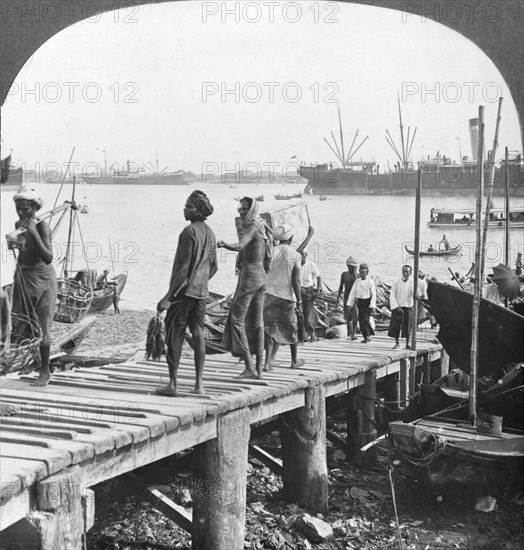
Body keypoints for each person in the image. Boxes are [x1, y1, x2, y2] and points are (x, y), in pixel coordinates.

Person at [156, 190, 217, 397]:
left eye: (189, 207)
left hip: (183, 294)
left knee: (175, 335)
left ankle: (173, 384)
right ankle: (199, 385)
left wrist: (167, 297)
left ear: (199, 211)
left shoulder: (188, 232)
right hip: (200, 293)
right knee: (198, 334)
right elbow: (214, 267)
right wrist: (200, 280)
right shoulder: (210, 233)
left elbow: (182, 269)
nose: (184, 209)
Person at [6, 186, 57, 387]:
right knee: (18, 321)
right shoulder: (18, 224)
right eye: (18, 208)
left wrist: (34, 233)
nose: (21, 213)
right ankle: (26, 362)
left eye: (25, 209)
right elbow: (23, 252)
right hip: (24, 275)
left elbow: (48, 257)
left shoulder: (42, 226)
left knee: (43, 325)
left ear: (35, 207)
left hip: (43, 279)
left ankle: (45, 371)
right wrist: (15, 246)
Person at [218, 197, 271, 379]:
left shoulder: (253, 227)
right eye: (240, 208)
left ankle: (249, 366)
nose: (241, 211)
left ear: (252, 209)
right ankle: (259, 370)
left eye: (245, 209)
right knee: (257, 323)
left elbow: (241, 246)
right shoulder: (261, 225)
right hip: (261, 277)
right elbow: (267, 256)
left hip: (249, 277)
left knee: (236, 320)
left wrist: (224, 244)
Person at [263, 224, 303, 371]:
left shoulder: (270, 252)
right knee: (291, 327)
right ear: (291, 238)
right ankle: (294, 361)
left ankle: (267, 362)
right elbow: (296, 280)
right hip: (285, 296)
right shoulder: (295, 255)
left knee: (270, 329)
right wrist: (299, 301)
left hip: (267, 295)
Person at [346, 263, 376, 343]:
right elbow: (352, 293)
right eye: (361, 272)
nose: (362, 274)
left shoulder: (370, 282)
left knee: (365, 319)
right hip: (360, 302)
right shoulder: (357, 281)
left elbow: (373, 295)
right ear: (359, 272)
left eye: (364, 273)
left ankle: (369, 334)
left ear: (367, 273)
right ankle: (365, 336)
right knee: (361, 319)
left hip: (368, 303)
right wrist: (349, 304)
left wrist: (372, 306)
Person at [387, 265, 414, 349]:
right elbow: (392, 295)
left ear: (410, 273)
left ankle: (407, 343)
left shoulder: (413, 283)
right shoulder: (396, 282)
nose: (405, 273)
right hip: (397, 307)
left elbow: (417, 293)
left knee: (408, 325)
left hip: (407, 307)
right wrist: (396, 306)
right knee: (396, 325)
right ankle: (397, 343)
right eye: (404, 271)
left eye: (407, 272)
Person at [300, 251, 321, 342]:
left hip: (309, 291)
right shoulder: (295, 265)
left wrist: (319, 290)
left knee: (309, 314)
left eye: (303, 255)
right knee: (300, 313)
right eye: (299, 255)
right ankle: (303, 335)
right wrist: (300, 288)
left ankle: (311, 334)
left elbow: (319, 277)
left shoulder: (311, 265)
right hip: (299, 291)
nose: (301, 257)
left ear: (306, 255)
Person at [337, 256, 359, 340]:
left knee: (355, 316)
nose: (349, 268)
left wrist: (355, 272)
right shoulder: (344, 274)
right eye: (348, 266)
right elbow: (340, 287)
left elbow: (357, 285)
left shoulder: (357, 275)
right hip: (346, 297)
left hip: (354, 298)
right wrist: (338, 297)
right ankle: (350, 334)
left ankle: (353, 334)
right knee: (348, 316)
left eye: (351, 267)